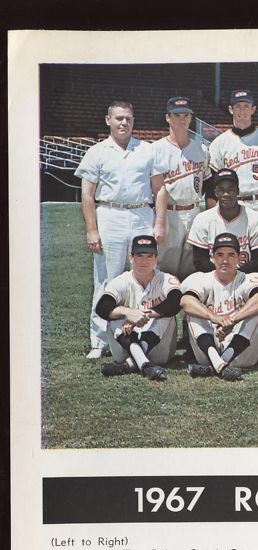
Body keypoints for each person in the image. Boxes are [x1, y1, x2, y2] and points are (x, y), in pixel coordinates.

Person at [75, 100, 167, 358]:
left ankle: (143, 330)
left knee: (145, 275)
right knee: (107, 278)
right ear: (108, 120)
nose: (123, 123)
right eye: (118, 118)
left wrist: (159, 222)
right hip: (110, 214)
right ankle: (100, 339)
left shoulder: (147, 150)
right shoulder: (97, 151)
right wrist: (92, 230)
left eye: (128, 118)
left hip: (141, 214)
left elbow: (159, 189)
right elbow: (87, 195)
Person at [180, 233, 258, 381]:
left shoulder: (249, 278)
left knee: (256, 312)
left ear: (239, 258)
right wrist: (215, 318)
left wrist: (231, 320)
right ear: (212, 257)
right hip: (209, 345)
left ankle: (215, 366)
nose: (225, 260)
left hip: (240, 350)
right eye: (220, 255)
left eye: (231, 255)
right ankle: (220, 365)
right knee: (193, 312)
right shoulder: (201, 278)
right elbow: (186, 301)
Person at [95, 235, 181, 381]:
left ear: (156, 258)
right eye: (139, 255)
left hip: (159, 349)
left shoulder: (166, 279)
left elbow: (175, 301)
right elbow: (102, 308)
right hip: (125, 347)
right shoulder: (120, 281)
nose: (144, 261)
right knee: (114, 316)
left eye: (149, 256)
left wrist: (144, 315)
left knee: (166, 315)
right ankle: (145, 365)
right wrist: (127, 312)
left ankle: (128, 366)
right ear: (131, 257)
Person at [151, 96, 211, 279]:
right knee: (165, 265)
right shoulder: (156, 149)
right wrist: (159, 222)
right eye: (177, 115)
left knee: (191, 266)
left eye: (186, 115)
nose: (182, 119)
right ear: (168, 117)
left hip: (194, 211)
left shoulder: (201, 150)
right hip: (169, 212)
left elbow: (208, 184)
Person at [207, 89, 258, 222]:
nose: (242, 111)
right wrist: (212, 215)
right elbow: (212, 184)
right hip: (230, 205)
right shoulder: (219, 143)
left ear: (253, 109)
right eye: (238, 106)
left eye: (246, 106)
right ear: (231, 109)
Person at [187, 168, 258, 274]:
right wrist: (222, 275)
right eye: (221, 189)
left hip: (246, 276)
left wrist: (235, 276)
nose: (226, 194)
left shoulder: (255, 218)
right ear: (215, 192)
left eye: (230, 189)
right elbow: (200, 261)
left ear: (238, 191)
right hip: (213, 276)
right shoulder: (202, 219)